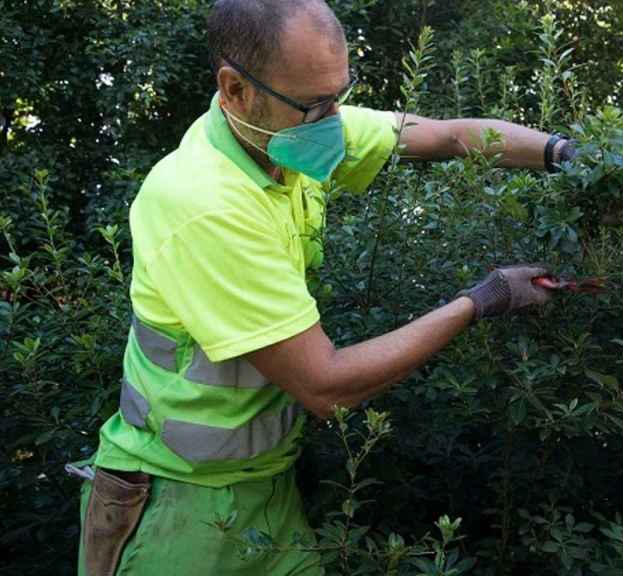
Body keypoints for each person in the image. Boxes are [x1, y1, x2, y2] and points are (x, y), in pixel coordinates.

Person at [69, 1, 577, 574]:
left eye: (339, 95)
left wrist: (567, 154)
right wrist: (483, 300)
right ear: (235, 90)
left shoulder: (289, 135)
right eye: (315, 104)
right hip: (176, 507)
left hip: (265, 486)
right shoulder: (202, 204)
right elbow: (325, 386)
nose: (335, 119)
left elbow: (450, 137)